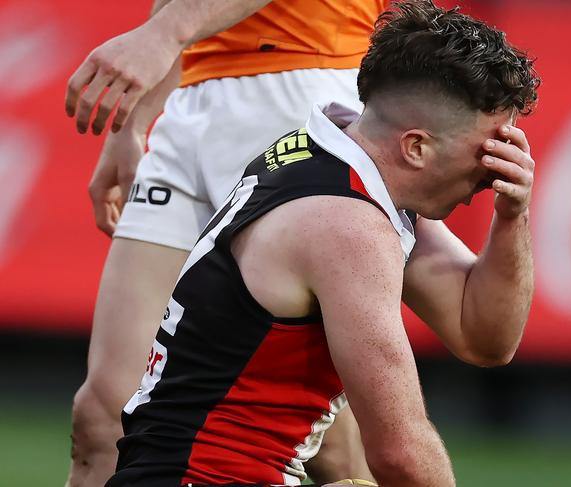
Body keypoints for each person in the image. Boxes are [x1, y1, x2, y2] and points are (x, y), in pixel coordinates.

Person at [102, 1, 540, 486]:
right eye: (485, 149)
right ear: (416, 147)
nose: (491, 169)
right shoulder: (348, 225)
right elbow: (401, 453)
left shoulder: (329, 156)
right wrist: (164, 35)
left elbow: (485, 338)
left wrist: (511, 216)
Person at [64, 1, 387, 486]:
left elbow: (174, 21)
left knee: (328, 453)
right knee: (104, 415)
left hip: (302, 85)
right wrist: (136, 116)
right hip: (190, 97)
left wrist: (164, 35)